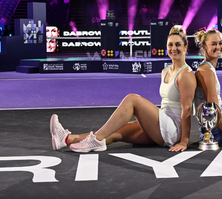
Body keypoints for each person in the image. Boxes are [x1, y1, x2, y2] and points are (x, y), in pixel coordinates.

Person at [50, 26, 196, 152]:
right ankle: (66, 139)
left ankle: (96, 139)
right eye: (170, 45)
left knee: (132, 99)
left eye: (178, 45)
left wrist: (184, 141)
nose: (173, 48)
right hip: (162, 125)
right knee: (115, 132)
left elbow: (187, 110)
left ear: (185, 47)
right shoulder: (166, 71)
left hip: (173, 131)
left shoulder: (186, 75)